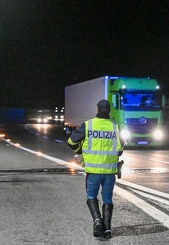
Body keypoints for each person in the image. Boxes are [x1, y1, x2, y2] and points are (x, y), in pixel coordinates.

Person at [67, 99, 124, 241]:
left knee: (91, 196)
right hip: (110, 172)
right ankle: (108, 229)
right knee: (107, 198)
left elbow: (71, 142)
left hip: (92, 171)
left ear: (97, 110)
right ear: (109, 111)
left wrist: (80, 150)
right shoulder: (116, 127)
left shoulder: (88, 125)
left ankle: (97, 221)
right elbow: (120, 149)